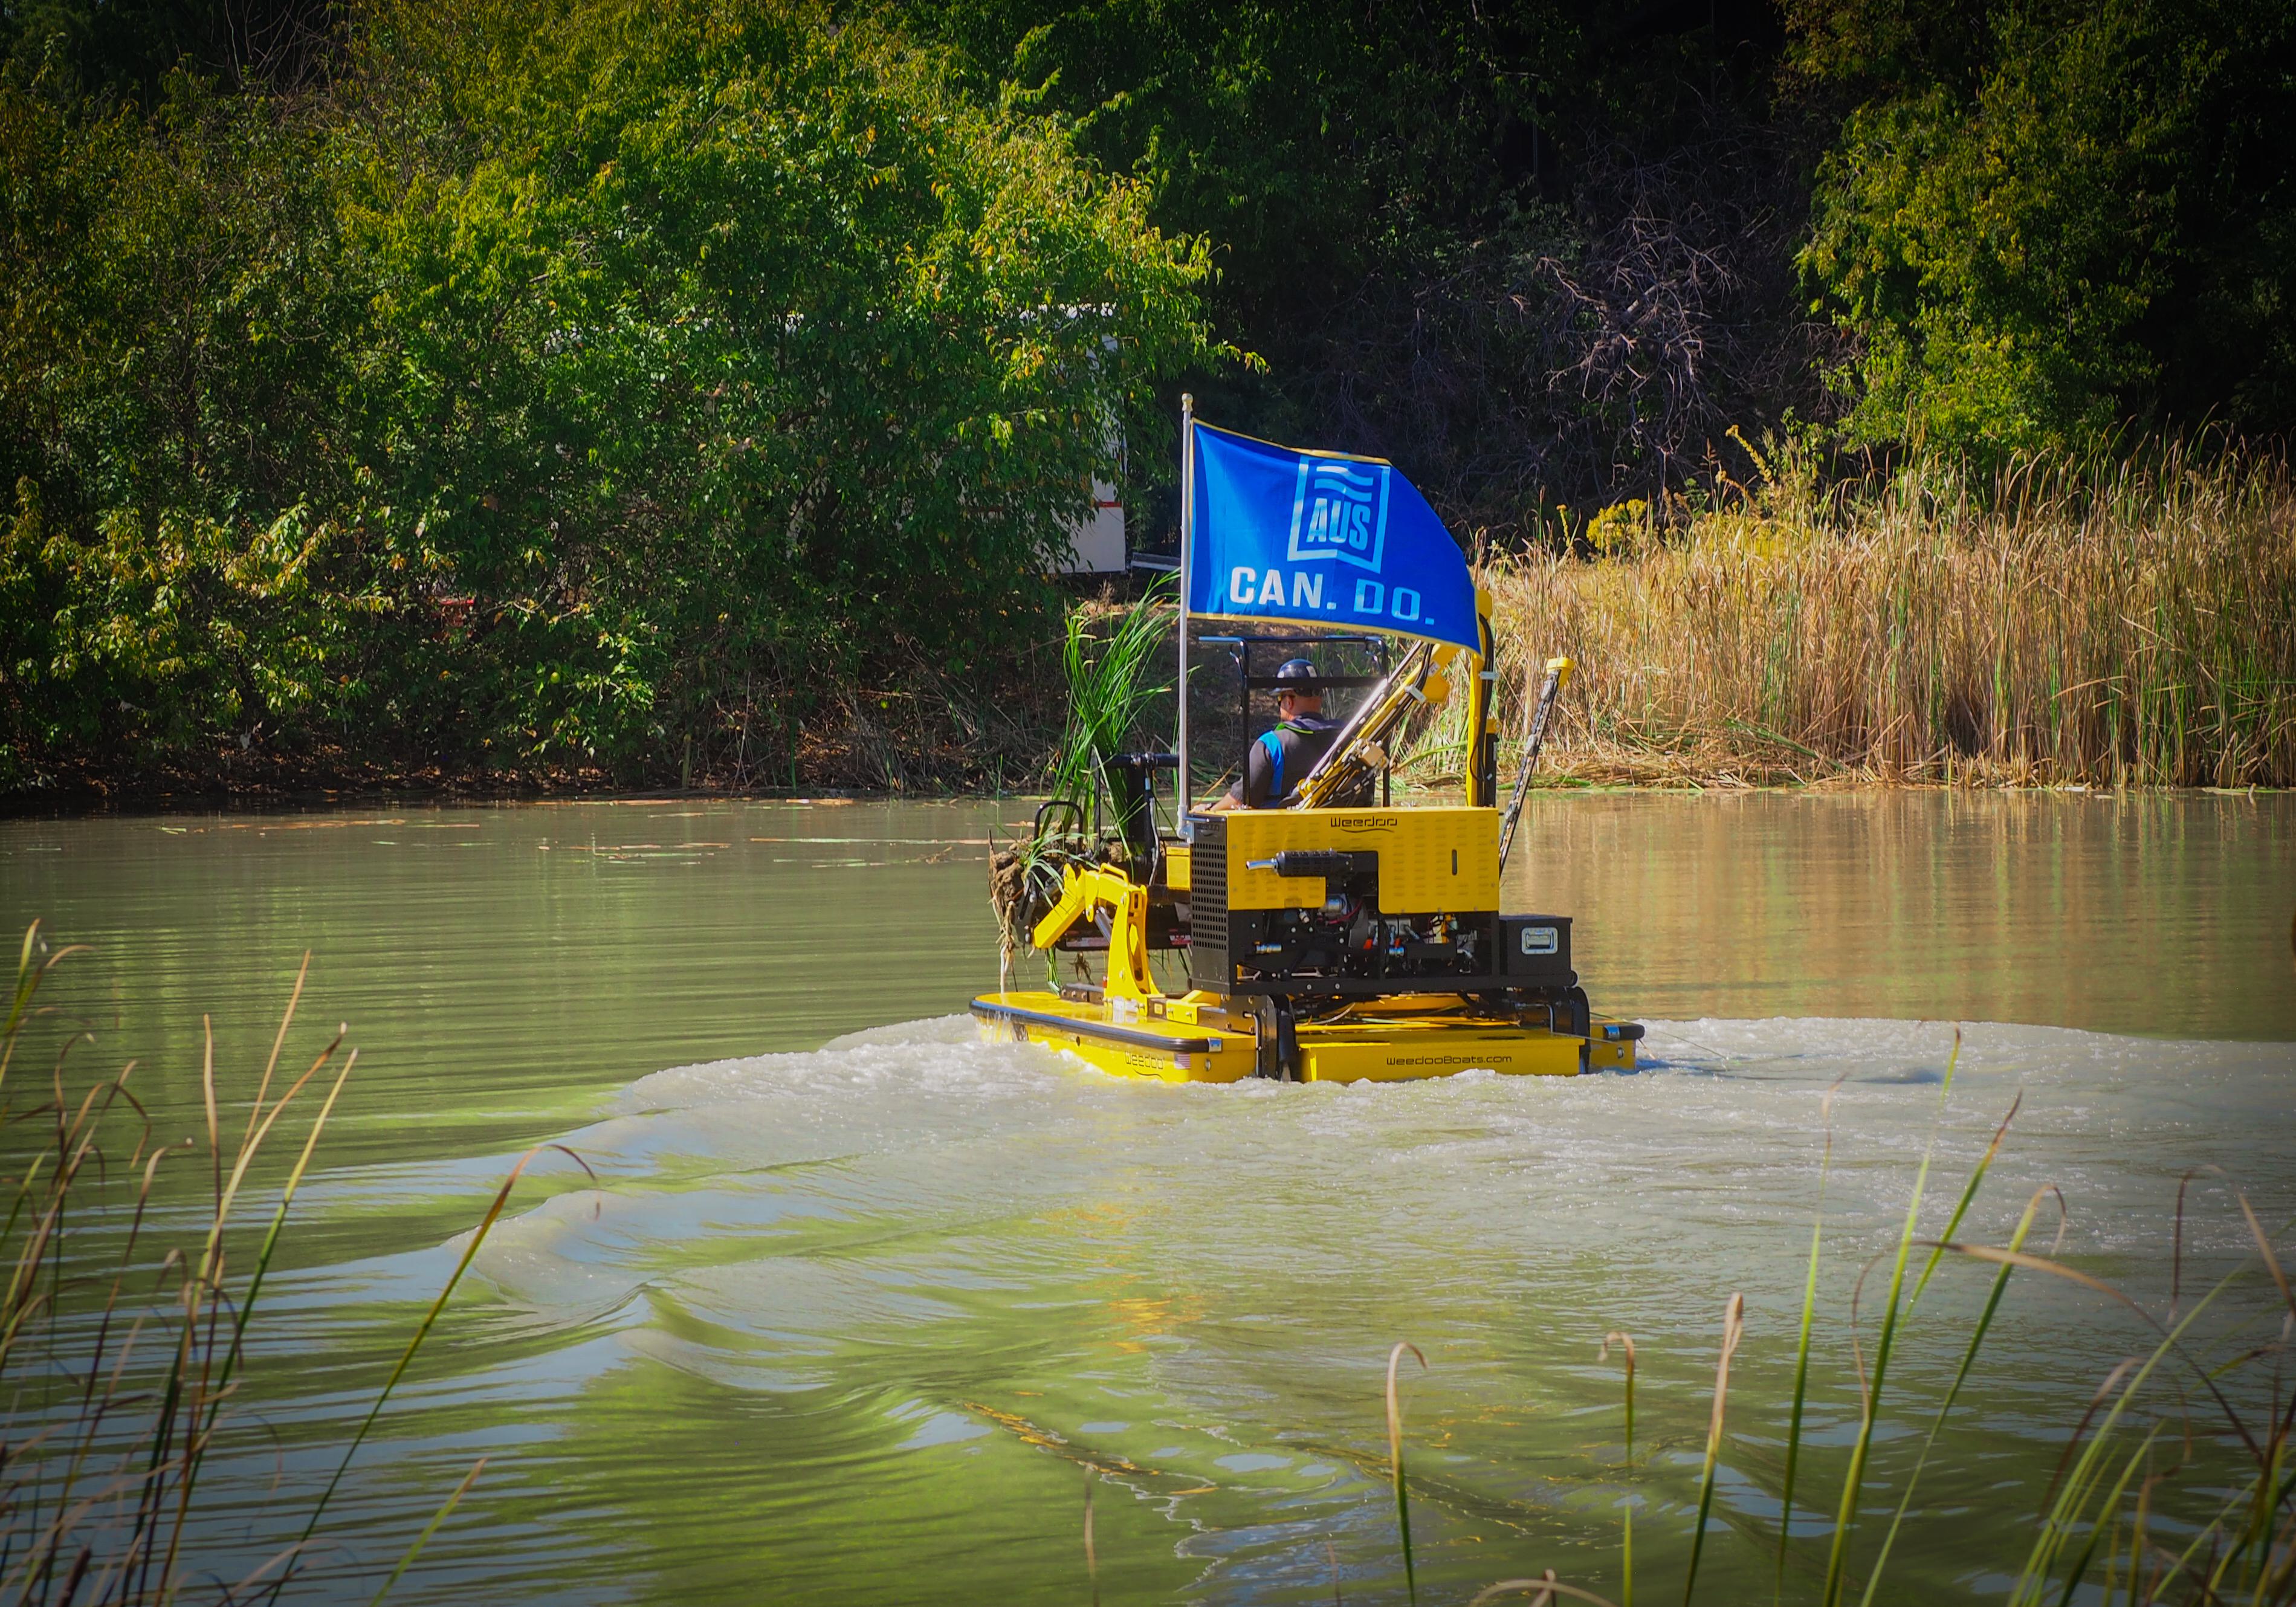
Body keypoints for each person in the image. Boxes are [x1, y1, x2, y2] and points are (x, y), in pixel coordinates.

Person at [1211, 658, 1342, 810]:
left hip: (1282, 831)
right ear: (1319, 698)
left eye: (1280, 699)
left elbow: (1240, 802)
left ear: (1289, 702)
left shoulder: (1271, 745)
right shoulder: (1347, 739)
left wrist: (1209, 810)